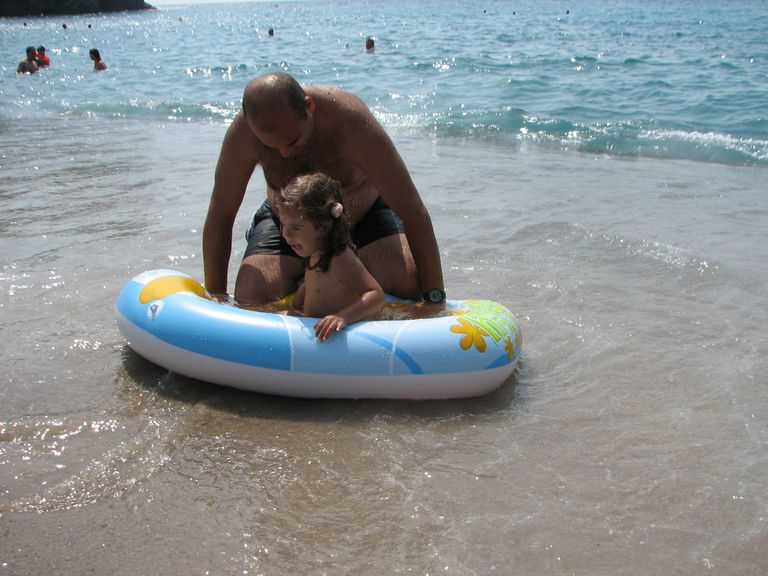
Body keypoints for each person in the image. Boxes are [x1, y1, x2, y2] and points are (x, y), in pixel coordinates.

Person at [203, 71, 445, 310]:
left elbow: (413, 210)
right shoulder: (243, 133)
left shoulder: (351, 122)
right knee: (250, 293)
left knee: (408, 282)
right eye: (271, 146)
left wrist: (434, 299)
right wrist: (216, 297)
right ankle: (312, 278)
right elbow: (221, 212)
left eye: (293, 140)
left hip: (361, 219)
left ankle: (328, 274)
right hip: (289, 226)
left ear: (309, 106)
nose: (284, 153)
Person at [277, 173, 384, 341]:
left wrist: (343, 317)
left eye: (295, 227)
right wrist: (296, 307)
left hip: (344, 333)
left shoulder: (340, 258)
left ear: (323, 226)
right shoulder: (315, 252)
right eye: (283, 225)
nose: (286, 234)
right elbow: (313, 283)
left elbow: (376, 295)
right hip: (316, 323)